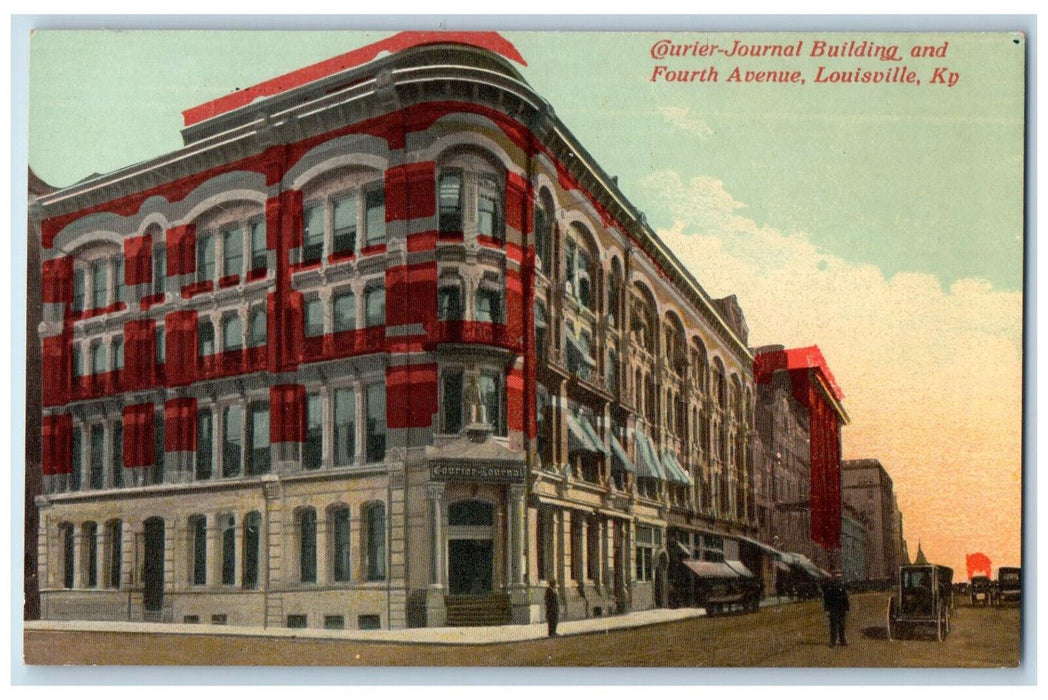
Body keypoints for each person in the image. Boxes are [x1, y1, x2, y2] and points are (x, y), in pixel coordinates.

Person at [823, 569, 850, 647]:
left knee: (842, 625)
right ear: (833, 576)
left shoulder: (842, 584)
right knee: (833, 625)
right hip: (833, 608)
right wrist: (827, 608)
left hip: (841, 608)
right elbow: (827, 598)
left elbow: (845, 597)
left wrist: (846, 607)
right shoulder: (830, 585)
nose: (838, 577)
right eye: (836, 576)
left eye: (839, 576)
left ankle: (842, 640)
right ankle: (833, 641)